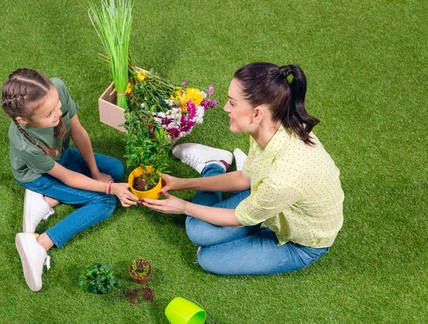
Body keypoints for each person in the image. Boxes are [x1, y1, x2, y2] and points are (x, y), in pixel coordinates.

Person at [142, 62, 344, 275]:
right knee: (196, 231)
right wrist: (182, 184)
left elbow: (238, 218)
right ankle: (213, 165)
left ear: (257, 114)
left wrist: (183, 207)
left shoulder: (282, 179)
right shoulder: (271, 127)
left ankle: (248, 215)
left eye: (232, 103)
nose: (226, 108)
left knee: (207, 257)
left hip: (300, 243)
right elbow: (246, 178)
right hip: (268, 201)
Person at [1, 68, 137, 291]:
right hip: (39, 175)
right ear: (23, 120)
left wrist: (95, 172)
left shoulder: (56, 88)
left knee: (116, 167)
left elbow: (79, 132)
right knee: (104, 202)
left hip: (62, 157)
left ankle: (47, 201)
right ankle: (40, 243)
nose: (58, 113)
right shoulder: (26, 144)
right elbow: (67, 177)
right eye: (48, 115)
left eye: (57, 106)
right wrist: (109, 188)